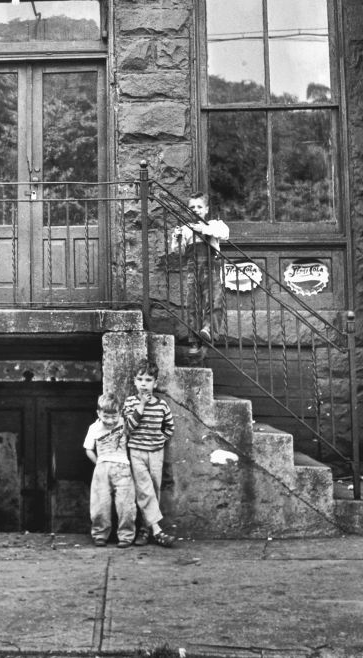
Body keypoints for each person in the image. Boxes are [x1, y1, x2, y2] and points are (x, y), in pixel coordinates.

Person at [122, 359, 176, 547]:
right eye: (140, 379)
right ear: (135, 382)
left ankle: (146, 530)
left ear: (155, 383)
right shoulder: (130, 402)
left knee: (154, 490)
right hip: (137, 451)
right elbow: (128, 427)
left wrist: (162, 439)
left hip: (156, 453)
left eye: (148, 380)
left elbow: (169, 426)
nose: (144, 383)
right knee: (144, 490)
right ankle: (157, 531)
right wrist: (141, 406)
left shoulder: (161, 405)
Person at [170, 191, 230, 353]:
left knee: (215, 301)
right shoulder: (186, 228)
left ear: (206, 209)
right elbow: (178, 251)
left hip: (211, 267)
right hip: (193, 268)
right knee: (193, 304)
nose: (195, 210)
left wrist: (204, 228)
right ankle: (194, 340)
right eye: (192, 207)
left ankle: (209, 330)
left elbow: (224, 234)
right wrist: (177, 237)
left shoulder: (214, 224)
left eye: (199, 206)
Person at [83, 392, 136, 547]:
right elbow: (88, 449)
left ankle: (126, 536)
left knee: (126, 504)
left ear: (120, 412)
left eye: (114, 417)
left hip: (123, 469)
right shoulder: (94, 428)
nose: (110, 421)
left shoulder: (125, 423)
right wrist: (98, 462)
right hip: (102, 470)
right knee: (100, 503)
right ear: (98, 413)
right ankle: (100, 534)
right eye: (106, 416)